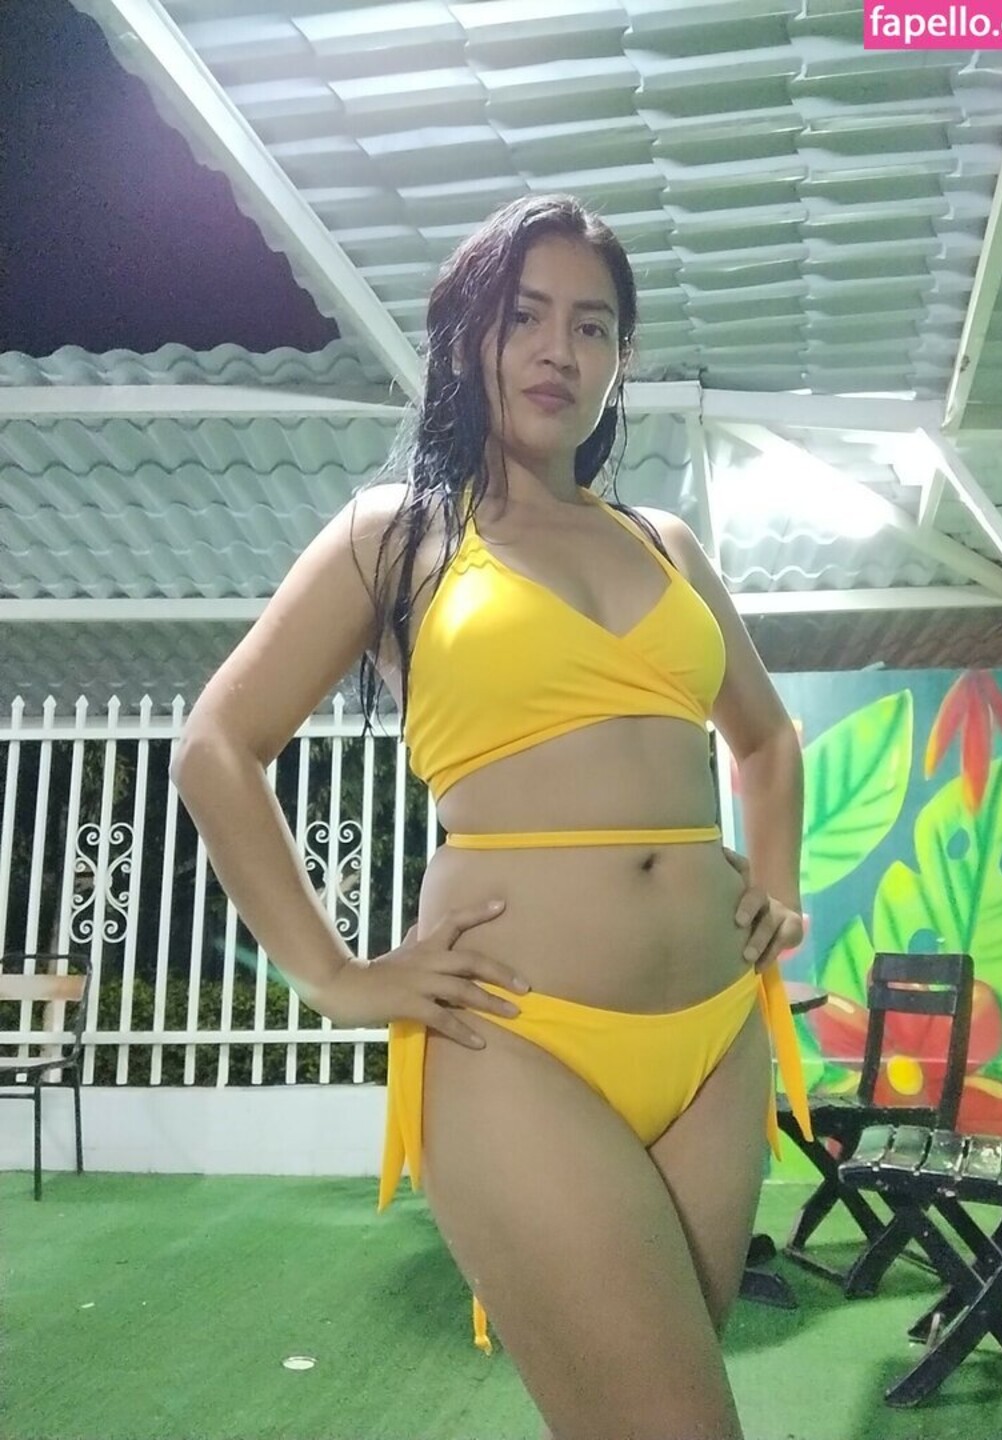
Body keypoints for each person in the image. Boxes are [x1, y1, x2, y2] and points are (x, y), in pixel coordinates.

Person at [171, 193, 811, 1440]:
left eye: (592, 325)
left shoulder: (668, 544)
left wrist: (775, 886)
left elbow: (767, 739)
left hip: (714, 1044)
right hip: (517, 1044)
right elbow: (216, 749)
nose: (558, 351)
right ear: (470, 337)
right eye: (525, 316)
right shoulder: (397, 536)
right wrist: (333, 975)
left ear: (619, 360)